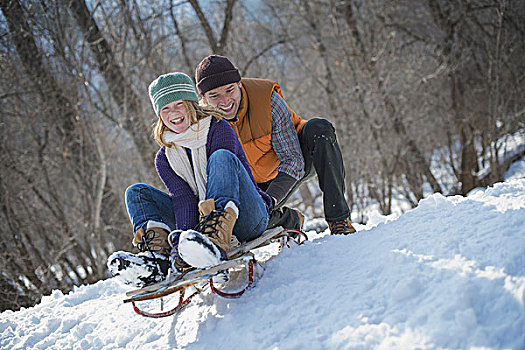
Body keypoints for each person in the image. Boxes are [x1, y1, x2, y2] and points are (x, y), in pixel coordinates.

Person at [107, 72, 272, 287]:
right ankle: (156, 261)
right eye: (165, 109)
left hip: (247, 217)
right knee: (136, 192)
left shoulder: (218, 128)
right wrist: (180, 244)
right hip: (201, 224)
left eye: (178, 104)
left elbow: (223, 178)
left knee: (221, 157)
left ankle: (215, 243)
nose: (173, 113)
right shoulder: (165, 157)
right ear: (159, 114)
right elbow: (183, 199)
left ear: (192, 104)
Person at [195, 55, 356, 235]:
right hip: (252, 184)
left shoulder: (266, 99)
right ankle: (289, 220)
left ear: (239, 83)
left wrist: (270, 199)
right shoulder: (201, 124)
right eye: (214, 96)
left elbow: (293, 160)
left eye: (229, 90)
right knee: (245, 224)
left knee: (319, 129)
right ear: (203, 97)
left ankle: (339, 220)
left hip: (294, 160)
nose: (225, 102)